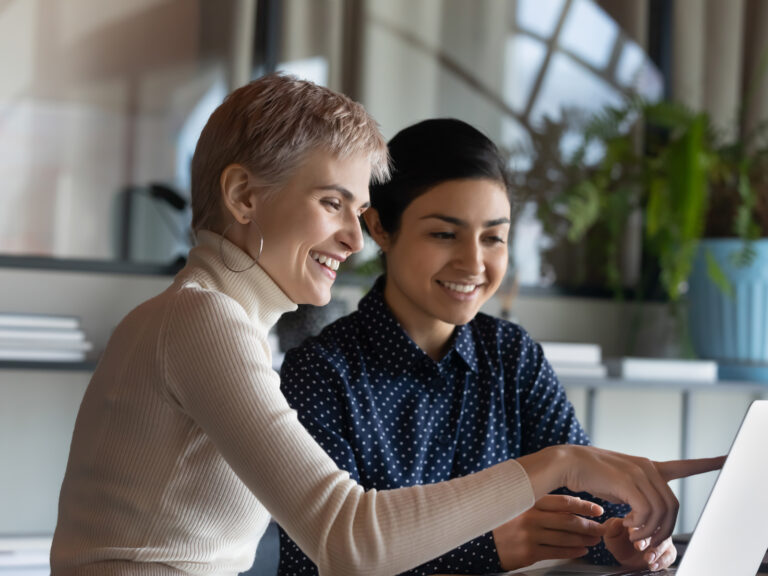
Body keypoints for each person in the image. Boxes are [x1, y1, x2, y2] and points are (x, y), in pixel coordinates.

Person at [50, 76, 721, 576]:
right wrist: (559, 466)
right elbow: (346, 540)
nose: (353, 236)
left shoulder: (218, 322)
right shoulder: (203, 322)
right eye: (332, 203)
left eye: (359, 208)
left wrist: (609, 524)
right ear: (244, 197)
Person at [275, 118, 704, 575]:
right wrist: (489, 546)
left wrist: (625, 536)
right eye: (444, 234)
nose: (474, 263)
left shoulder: (511, 355)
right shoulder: (320, 373)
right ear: (379, 227)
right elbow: (315, 560)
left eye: (494, 237)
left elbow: (581, 497)